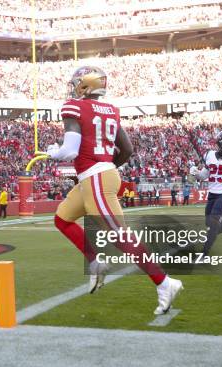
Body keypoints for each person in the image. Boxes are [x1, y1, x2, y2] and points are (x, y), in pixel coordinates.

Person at [47, 66, 182, 315]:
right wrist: (107, 167)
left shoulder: (73, 107)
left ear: (84, 85)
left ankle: (164, 282)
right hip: (97, 177)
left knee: (120, 237)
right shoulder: (111, 111)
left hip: (95, 178)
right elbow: (127, 150)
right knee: (62, 219)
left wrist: (52, 152)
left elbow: (69, 151)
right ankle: (96, 262)